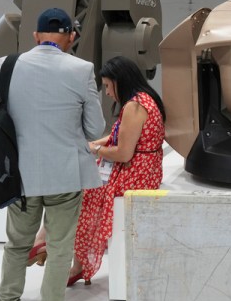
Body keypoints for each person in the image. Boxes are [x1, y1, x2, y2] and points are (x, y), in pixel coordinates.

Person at [0, 8, 105, 301]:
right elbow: (95, 129)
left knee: (16, 246)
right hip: (64, 177)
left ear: (35, 36)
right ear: (71, 37)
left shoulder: (2, 66)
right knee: (60, 251)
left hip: (19, 179)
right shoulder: (81, 70)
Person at [69, 55, 166, 286]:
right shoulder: (145, 98)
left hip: (136, 173)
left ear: (118, 81)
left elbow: (123, 153)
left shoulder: (134, 106)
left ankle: (78, 263)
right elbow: (118, 136)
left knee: (86, 194)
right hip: (146, 169)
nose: (108, 93)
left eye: (107, 86)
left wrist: (96, 151)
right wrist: (95, 145)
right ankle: (75, 260)